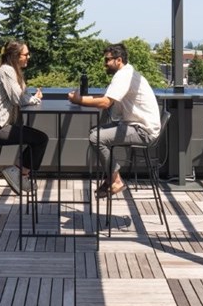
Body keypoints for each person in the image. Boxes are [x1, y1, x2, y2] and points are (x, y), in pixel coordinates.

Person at [68, 43, 161, 198]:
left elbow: (105, 103)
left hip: (143, 130)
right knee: (95, 132)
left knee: (95, 137)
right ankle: (111, 176)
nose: (105, 64)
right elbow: (107, 101)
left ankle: (116, 180)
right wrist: (82, 99)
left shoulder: (124, 76)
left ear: (118, 60)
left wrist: (79, 100)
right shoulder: (127, 73)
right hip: (134, 124)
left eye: (107, 60)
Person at [0, 40, 47, 194]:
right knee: (40, 139)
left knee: (37, 139)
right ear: (16, 56)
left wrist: (33, 97)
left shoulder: (12, 71)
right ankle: (19, 173)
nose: (28, 57)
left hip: (3, 126)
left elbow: (21, 95)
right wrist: (34, 99)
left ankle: (20, 174)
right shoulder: (7, 71)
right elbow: (18, 98)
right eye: (25, 54)